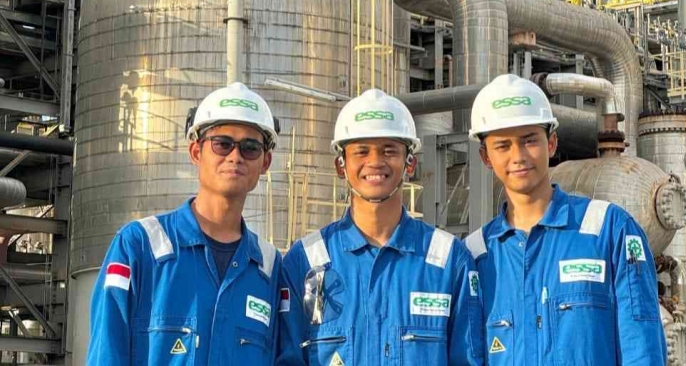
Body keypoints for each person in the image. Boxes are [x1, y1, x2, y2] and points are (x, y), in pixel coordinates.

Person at [465, 74, 666, 365]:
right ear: (486, 157)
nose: (518, 156)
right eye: (503, 146)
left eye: (529, 140)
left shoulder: (609, 232)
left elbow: (642, 351)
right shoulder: (475, 255)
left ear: (551, 143)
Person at [278, 89, 484, 366]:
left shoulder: (449, 260)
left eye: (389, 150)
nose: (375, 162)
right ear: (341, 165)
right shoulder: (304, 261)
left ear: (410, 163)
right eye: (361, 151)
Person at [87, 82, 282, 365]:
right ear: (195, 152)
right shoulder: (139, 248)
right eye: (222, 144)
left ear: (265, 162)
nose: (235, 157)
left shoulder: (269, 269)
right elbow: (106, 353)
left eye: (250, 148)